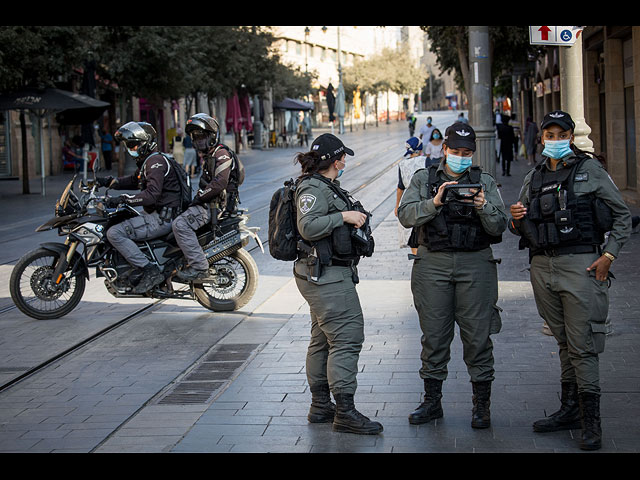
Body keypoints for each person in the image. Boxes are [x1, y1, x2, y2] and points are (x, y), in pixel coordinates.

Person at [508, 110, 632, 450]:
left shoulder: (589, 170)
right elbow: (516, 222)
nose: (554, 139)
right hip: (541, 267)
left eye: (560, 134)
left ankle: (592, 421)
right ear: (541, 138)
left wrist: (608, 256)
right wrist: (516, 218)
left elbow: (622, 215)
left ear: (570, 136)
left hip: (580, 266)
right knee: (563, 340)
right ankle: (569, 410)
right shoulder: (533, 176)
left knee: (583, 345)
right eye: (548, 134)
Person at [398, 122, 507, 429]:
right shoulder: (425, 179)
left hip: (476, 265)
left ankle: (481, 406)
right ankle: (432, 403)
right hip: (433, 263)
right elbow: (405, 215)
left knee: (478, 336)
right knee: (434, 335)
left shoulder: (483, 180)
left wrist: (483, 205)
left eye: (467, 152)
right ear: (443, 149)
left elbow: (500, 225)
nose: (461, 157)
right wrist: (434, 202)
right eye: (455, 151)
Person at [293, 133, 382, 436]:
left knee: (321, 339)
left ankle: (321, 406)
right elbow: (308, 226)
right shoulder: (312, 189)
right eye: (342, 157)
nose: (345, 162)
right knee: (346, 337)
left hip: (325, 273)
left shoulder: (325, 186)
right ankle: (344, 411)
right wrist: (343, 216)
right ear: (333, 160)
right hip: (325, 275)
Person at [97, 122, 183, 293]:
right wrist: (110, 182)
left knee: (114, 233)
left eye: (135, 144)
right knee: (123, 219)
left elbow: (152, 194)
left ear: (147, 143)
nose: (132, 148)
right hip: (159, 214)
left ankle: (148, 270)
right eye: (129, 145)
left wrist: (123, 199)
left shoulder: (155, 162)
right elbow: (135, 180)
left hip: (162, 218)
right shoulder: (149, 162)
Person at [171, 113, 232, 281]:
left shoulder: (221, 154)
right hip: (208, 203)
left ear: (212, 136)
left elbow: (220, 183)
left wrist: (198, 198)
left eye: (202, 137)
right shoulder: (210, 156)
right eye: (195, 137)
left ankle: (199, 267)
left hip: (213, 205)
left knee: (180, 225)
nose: (198, 141)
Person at [396, 137, 426, 254]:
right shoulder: (426, 161)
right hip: (424, 199)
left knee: (413, 236)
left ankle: (416, 259)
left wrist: (397, 205)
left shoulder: (402, 164)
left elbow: (400, 187)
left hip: (409, 200)